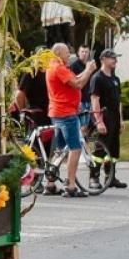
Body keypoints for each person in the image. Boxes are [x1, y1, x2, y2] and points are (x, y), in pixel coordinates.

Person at [46, 42, 96, 197]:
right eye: (67, 52)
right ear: (59, 53)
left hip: (57, 112)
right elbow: (79, 83)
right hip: (66, 113)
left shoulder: (55, 67)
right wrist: (88, 70)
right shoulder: (58, 68)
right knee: (75, 148)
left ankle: (50, 183)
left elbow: (75, 78)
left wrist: (86, 71)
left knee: (60, 150)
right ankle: (71, 185)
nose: (69, 55)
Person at [87, 49, 127, 190]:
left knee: (113, 150)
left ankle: (110, 177)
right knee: (100, 150)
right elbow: (95, 100)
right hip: (104, 116)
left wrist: (121, 120)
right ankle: (93, 177)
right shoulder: (97, 78)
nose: (115, 60)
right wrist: (99, 121)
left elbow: (119, 101)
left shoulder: (115, 79)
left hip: (114, 117)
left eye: (115, 58)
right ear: (103, 59)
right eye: (112, 58)